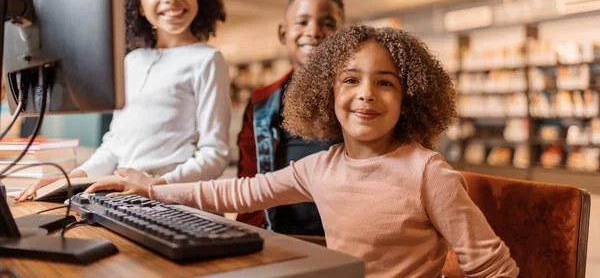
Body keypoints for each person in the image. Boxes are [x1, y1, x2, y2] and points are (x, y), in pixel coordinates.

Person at [87, 26, 519, 277]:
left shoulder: (428, 173)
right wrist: (151, 190)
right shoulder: (319, 168)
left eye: (385, 82)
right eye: (350, 80)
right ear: (326, 95)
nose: (366, 94)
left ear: (411, 99)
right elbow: (238, 194)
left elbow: (493, 266)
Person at [17, 0, 230, 201]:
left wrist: (155, 184)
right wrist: (71, 178)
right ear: (139, 5)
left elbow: (215, 154)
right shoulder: (133, 61)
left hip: (176, 200)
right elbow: (115, 146)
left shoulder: (207, 59)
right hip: (127, 196)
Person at [236, 0, 344, 235]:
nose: (314, 32)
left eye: (328, 23)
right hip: (281, 236)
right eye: (302, 22)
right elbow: (249, 181)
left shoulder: (359, 98)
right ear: (283, 33)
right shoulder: (261, 103)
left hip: (347, 238)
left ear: (343, 35)